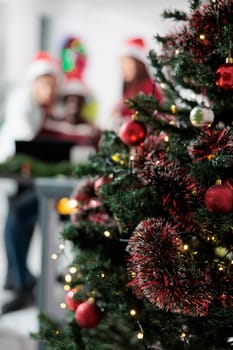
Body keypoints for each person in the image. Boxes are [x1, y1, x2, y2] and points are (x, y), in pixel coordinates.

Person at [0, 51, 63, 314]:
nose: (47, 90)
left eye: (51, 85)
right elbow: (27, 143)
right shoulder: (22, 103)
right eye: (43, 84)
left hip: (32, 181)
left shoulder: (46, 111)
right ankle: (21, 281)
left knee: (21, 222)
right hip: (17, 176)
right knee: (17, 221)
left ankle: (21, 281)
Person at [112, 37, 164, 128]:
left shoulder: (148, 87)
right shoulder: (129, 89)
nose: (124, 68)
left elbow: (146, 118)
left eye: (128, 63)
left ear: (138, 64)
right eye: (122, 64)